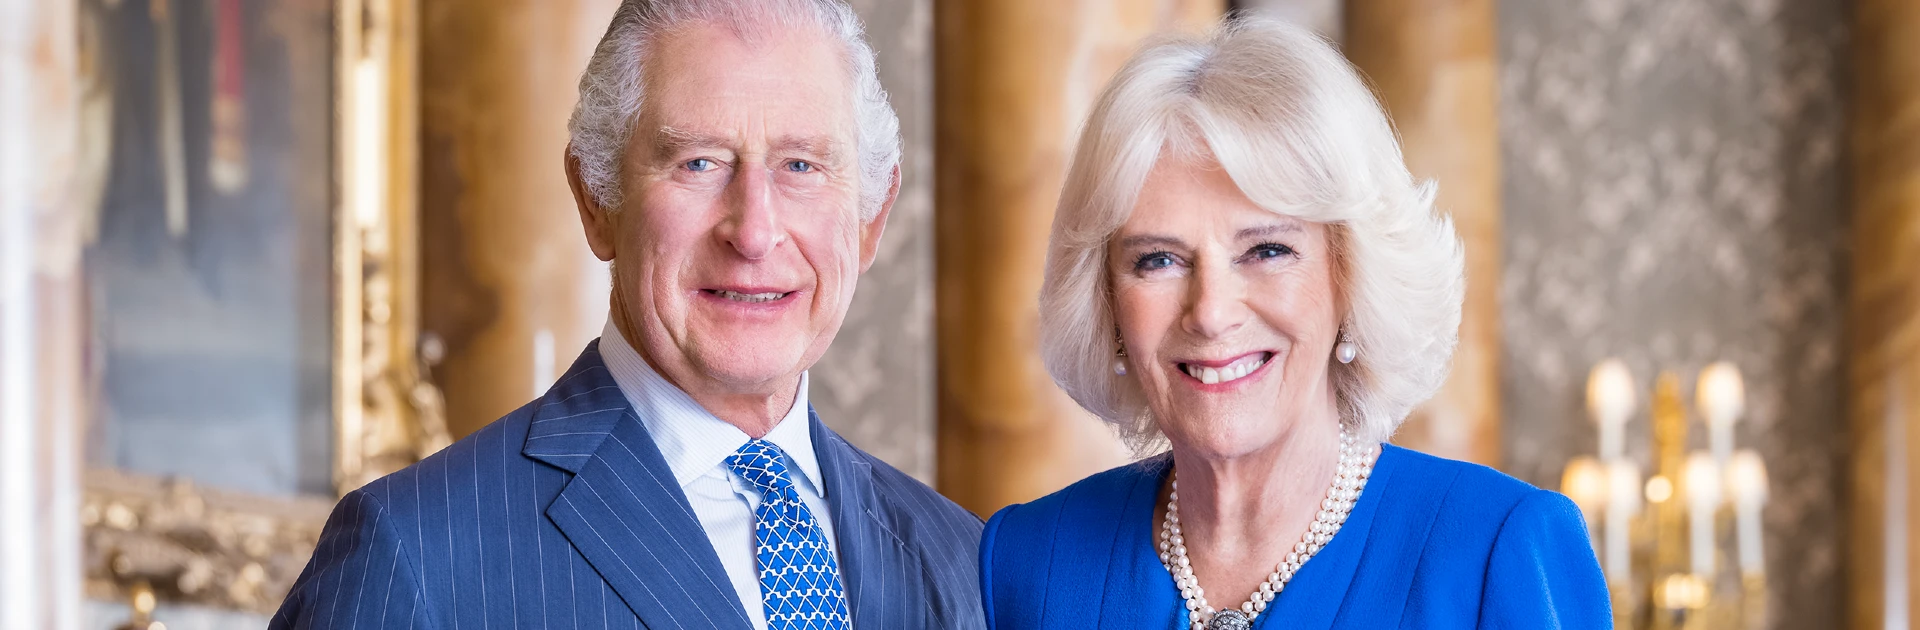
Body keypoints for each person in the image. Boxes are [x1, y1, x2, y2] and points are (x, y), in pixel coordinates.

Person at [271, 1, 984, 628]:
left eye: (801, 166)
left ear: (872, 218)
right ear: (596, 200)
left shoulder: (959, 559)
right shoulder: (414, 554)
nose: (755, 231)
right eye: (699, 163)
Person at [979, 18, 1609, 630]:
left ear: (1350, 274)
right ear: (1108, 302)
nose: (1212, 311)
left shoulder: (1495, 552)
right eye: (1160, 259)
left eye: (1266, 250)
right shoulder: (1026, 562)